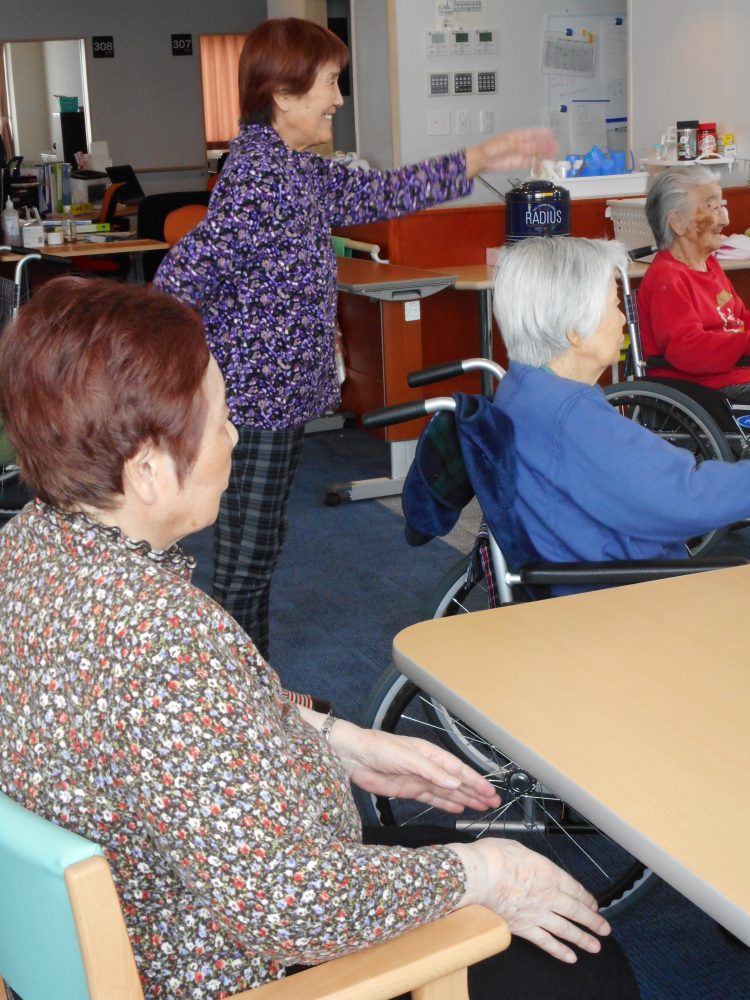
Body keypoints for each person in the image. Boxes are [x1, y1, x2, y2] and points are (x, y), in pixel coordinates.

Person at [0, 277, 638, 1000]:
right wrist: (489, 874)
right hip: (235, 961)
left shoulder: (29, 549)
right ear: (147, 471)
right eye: (219, 421)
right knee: (584, 968)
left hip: (156, 910)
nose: (234, 437)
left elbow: (167, 737)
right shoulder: (160, 640)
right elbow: (290, 904)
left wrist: (344, 744)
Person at [153, 16, 557, 660]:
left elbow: (384, 192)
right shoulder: (262, 180)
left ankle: (246, 687)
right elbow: (177, 282)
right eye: (330, 83)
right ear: (284, 94)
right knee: (246, 560)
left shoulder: (289, 168)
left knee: (254, 552)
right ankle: (243, 695)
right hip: (255, 403)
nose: (339, 99)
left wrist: (479, 158)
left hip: (271, 399)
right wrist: (183, 376)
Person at [493, 236, 750, 568]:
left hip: (585, 564)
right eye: (614, 305)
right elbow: (684, 499)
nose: (623, 320)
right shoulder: (573, 415)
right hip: (626, 584)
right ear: (574, 331)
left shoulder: (522, 388)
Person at [638, 164, 750, 401]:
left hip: (735, 376)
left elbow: (738, 318)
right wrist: (745, 343)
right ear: (678, 222)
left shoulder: (709, 265)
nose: (725, 219)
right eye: (713, 208)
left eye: (722, 206)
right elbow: (687, 348)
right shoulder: (667, 279)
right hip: (702, 389)